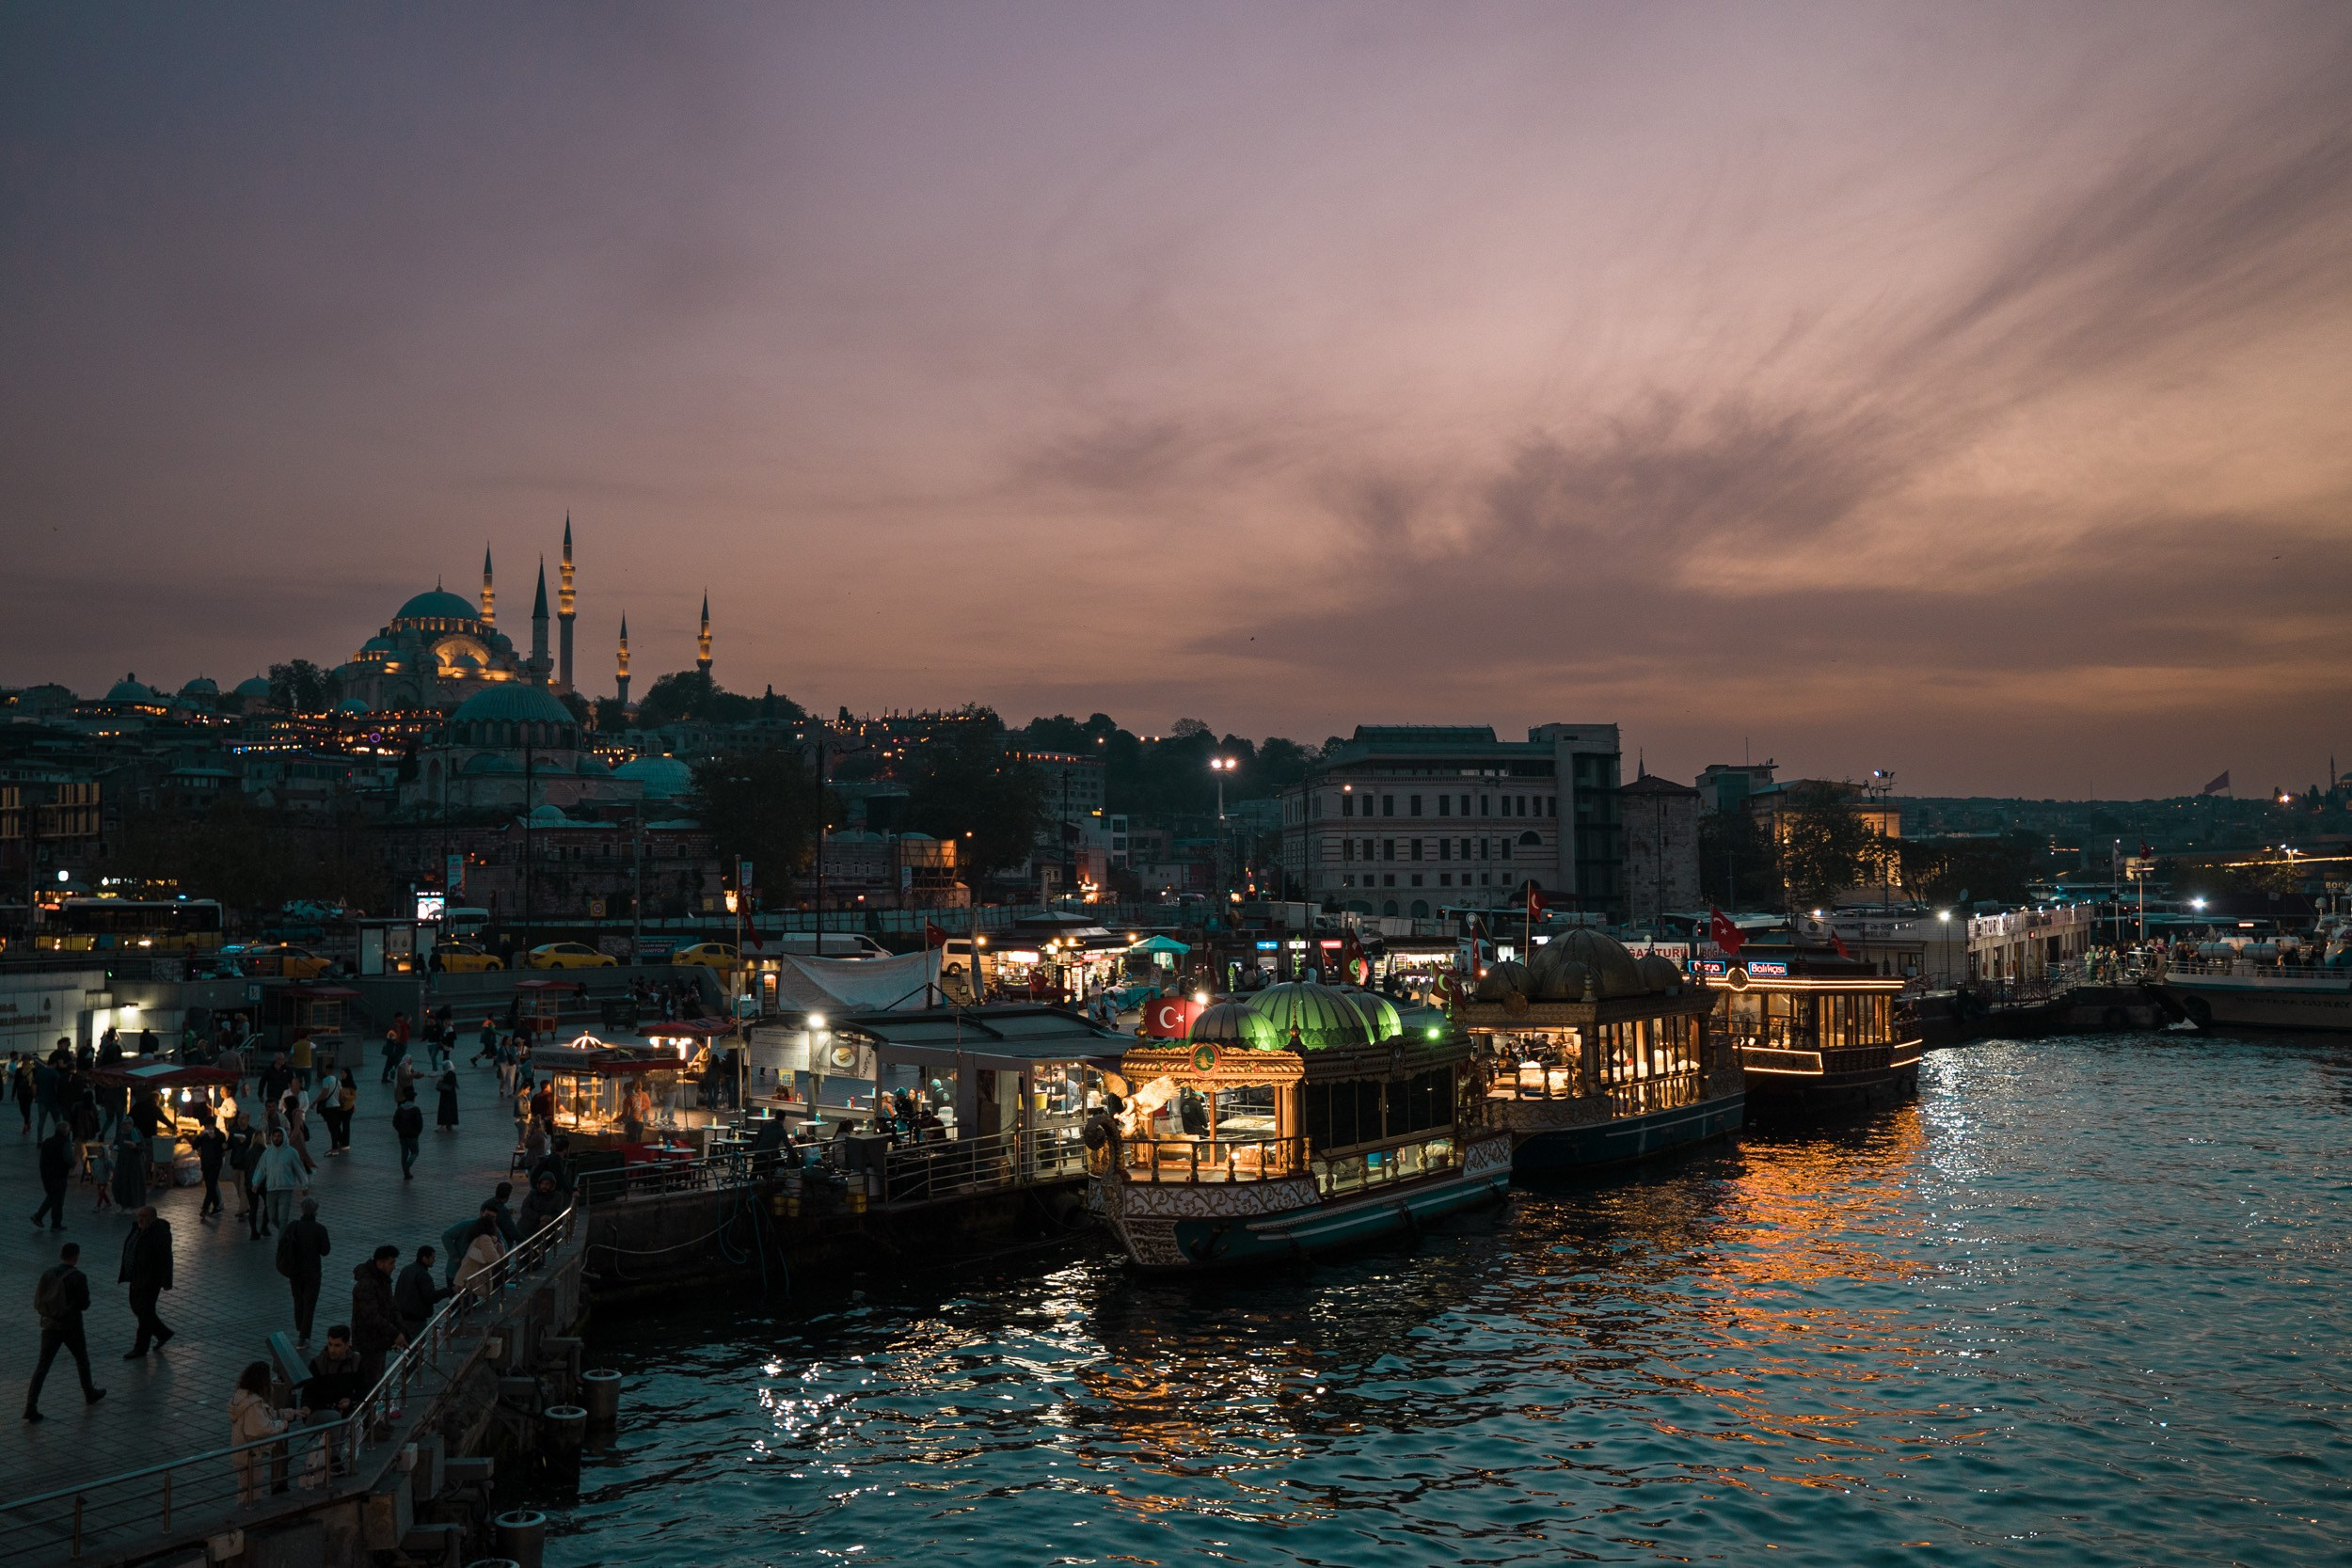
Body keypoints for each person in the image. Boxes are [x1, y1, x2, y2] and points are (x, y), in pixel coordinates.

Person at [24, 1242, 105, 1420]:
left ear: (61, 1255)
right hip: (71, 1326)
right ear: (76, 1256)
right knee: (81, 1359)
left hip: (49, 1325)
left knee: (42, 1366)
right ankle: (89, 1393)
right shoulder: (78, 1276)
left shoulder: (48, 1273)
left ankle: (31, 1405)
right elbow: (84, 1304)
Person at [229, 1361, 301, 1503]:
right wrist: (282, 1424)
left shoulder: (243, 1397)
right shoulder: (254, 1404)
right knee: (251, 1490)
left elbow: (268, 1414)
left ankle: (246, 1514)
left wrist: (291, 1413)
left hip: (242, 1451)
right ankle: (247, 1518)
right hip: (250, 1453)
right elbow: (261, 1428)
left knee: (246, 1486)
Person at [119, 1205, 175, 1358]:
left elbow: (166, 1259)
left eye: (143, 1218)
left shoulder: (159, 1234)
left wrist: (166, 1281)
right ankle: (163, 1333)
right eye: (139, 1217)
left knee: (145, 1314)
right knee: (138, 1308)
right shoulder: (139, 1229)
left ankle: (141, 1348)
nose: (140, 1220)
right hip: (137, 1276)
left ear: (152, 1218)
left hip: (150, 1280)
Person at [276, 1197, 332, 1344]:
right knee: (310, 1303)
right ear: (316, 1212)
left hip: (295, 1271)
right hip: (313, 1272)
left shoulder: (293, 1226)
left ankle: (300, 1327)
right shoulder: (320, 1229)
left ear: (301, 1210)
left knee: (298, 1299)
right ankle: (304, 1334)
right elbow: (325, 1251)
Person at [350, 1245, 406, 1384]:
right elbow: (371, 1316)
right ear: (380, 1263)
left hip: (379, 1339)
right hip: (369, 1341)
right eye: (391, 1263)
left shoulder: (383, 1280)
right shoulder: (368, 1284)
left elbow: (392, 1306)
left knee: (378, 1378)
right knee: (372, 1381)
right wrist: (394, 1333)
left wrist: (400, 1330)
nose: (394, 1267)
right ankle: (371, 1404)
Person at [252, 1127, 309, 1236]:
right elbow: (261, 1169)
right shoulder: (267, 1153)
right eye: (274, 1136)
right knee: (272, 1216)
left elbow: (299, 1169)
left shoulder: (291, 1152)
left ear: (283, 1137)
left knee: (283, 1217)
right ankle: (288, 1233)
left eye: (279, 1136)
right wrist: (256, 1183)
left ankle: (282, 1243)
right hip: (271, 1188)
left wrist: (304, 1185)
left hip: (286, 1189)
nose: (276, 1138)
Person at [299, 1326, 367, 1416]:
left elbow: (363, 1388)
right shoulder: (318, 1363)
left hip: (346, 1412)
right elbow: (308, 1391)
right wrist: (306, 1406)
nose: (332, 1350)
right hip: (322, 1412)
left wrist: (350, 1399)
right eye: (330, 1344)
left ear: (347, 1345)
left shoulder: (356, 1361)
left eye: (337, 1345)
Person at [440, 1201, 502, 1288]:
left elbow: (502, 1246)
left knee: (471, 1299)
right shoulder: (466, 1225)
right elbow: (446, 1236)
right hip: (456, 1271)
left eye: (493, 1217)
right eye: (488, 1216)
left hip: (475, 1276)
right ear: (481, 1213)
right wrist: (455, 1256)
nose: (490, 1219)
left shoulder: (495, 1232)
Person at [393, 1246, 448, 1341]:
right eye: (432, 1257)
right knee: (417, 1346)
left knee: (407, 1345)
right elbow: (430, 1297)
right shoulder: (423, 1275)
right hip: (416, 1319)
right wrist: (449, 1291)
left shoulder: (406, 1269)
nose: (434, 1260)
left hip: (402, 1316)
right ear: (425, 1258)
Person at [453, 1217, 506, 1301]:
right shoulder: (485, 1238)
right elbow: (493, 1258)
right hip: (470, 1281)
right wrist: (501, 1250)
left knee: (464, 1307)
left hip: (466, 1278)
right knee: (466, 1307)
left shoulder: (480, 1238)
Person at [31, 1123, 72, 1230]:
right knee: (58, 1200)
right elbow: (68, 1158)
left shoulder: (48, 1141)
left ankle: (38, 1216)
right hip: (59, 1175)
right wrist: (73, 1163)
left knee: (52, 1196)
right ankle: (55, 1223)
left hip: (47, 1174)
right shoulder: (65, 1143)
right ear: (66, 1132)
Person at [193, 1118, 229, 1219]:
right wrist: (199, 1137)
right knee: (209, 1186)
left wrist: (215, 1139)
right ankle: (217, 1205)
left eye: (209, 1126)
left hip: (216, 1164)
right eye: (206, 1126)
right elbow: (194, 1146)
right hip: (206, 1164)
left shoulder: (220, 1135)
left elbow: (223, 1148)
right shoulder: (203, 1136)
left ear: (213, 1125)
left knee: (212, 1185)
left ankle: (205, 1208)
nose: (207, 1128)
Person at [517, 1171, 564, 1235]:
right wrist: (539, 1217)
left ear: (552, 1185)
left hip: (547, 1228)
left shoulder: (557, 1196)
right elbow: (525, 1209)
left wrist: (548, 1218)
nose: (544, 1186)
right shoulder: (533, 1193)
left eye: (547, 1184)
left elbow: (558, 1213)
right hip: (529, 1226)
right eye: (542, 1184)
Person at [392, 1091, 424, 1179]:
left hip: (402, 1135)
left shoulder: (400, 1109)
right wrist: (417, 1133)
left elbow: (395, 1122)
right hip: (413, 1136)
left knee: (404, 1153)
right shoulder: (416, 1109)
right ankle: (408, 1166)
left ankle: (406, 1173)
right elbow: (420, 1124)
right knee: (415, 1152)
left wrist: (400, 1130)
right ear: (413, 1099)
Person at [436, 1065, 460, 1132]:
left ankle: (443, 1126)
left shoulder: (447, 1074)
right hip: (452, 1096)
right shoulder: (452, 1073)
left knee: (444, 1110)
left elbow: (445, 1083)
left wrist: (440, 1080)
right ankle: (449, 1125)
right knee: (451, 1110)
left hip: (445, 1096)